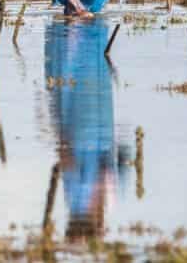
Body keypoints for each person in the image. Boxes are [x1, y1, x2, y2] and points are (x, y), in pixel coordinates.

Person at [45, 18, 122, 241]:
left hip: (89, 132)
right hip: (94, 134)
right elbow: (119, 167)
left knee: (79, 74)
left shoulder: (82, 198)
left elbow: (67, 159)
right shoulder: (100, 199)